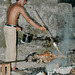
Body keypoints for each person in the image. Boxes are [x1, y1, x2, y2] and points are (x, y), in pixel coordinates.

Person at [4, 0, 46, 71]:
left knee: (8, 47)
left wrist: (15, 26)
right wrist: (39, 28)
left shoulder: (11, 5)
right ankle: (12, 67)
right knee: (12, 49)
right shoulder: (19, 7)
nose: (25, 3)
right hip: (11, 29)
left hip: (6, 27)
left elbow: (10, 17)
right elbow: (28, 20)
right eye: (24, 1)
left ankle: (7, 65)